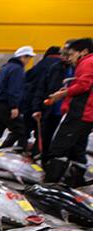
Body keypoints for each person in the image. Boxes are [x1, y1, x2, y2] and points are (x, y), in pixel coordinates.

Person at [43, 37, 93, 184]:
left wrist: (62, 94)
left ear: (83, 52)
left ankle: (49, 187)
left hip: (80, 114)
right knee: (78, 149)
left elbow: (84, 85)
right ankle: (75, 181)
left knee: (58, 148)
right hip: (86, 116)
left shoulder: (87, 62)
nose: (69, 58)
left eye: (72, 54)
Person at [0, 45, 35, 150]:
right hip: (7, 104)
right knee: (19, 130)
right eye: (29, 58)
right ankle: (4, 150)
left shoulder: (4, 67)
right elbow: (14, 88)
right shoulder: (17, 69)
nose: (29, 61)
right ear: (23, 57)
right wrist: (14, 106)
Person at [34, 42, 74, 154]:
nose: (65, 58)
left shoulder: (80, 69)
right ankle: (46, 163)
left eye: (68, 55)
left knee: (65, 144)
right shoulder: (54, 68)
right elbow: (41, 89)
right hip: (52, 112)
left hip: (70, 114)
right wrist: (37, 108)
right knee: (46, 140)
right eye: (64, 55)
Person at [22, 46, 61, 154]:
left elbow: (28, 80)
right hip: (51, 106)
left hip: (32, 102)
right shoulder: (63, 67)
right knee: (43, 134)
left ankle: (22, 151)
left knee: (24, 130)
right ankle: (38, 155)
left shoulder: (40, 65)